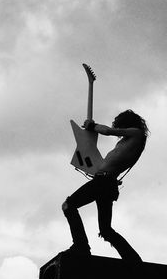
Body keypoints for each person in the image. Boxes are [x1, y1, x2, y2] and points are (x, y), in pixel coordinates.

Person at [62, 109, 149, 263]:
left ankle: (81, 246)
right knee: (106, 230)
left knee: (69, 205)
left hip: (104, 182)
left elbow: (108, 131)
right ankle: (133, 260)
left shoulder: (137, 134)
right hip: (106, 183)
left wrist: (92, 125)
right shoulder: (126, 142)